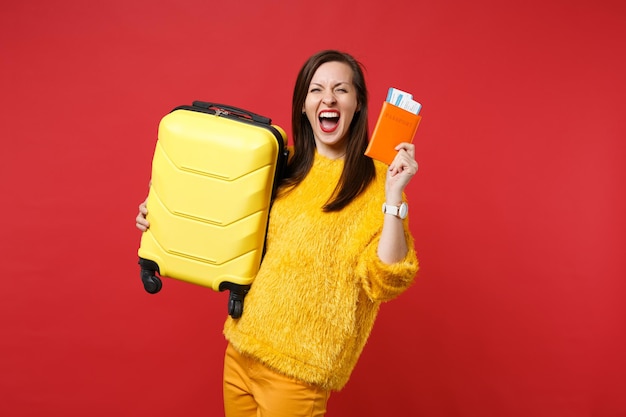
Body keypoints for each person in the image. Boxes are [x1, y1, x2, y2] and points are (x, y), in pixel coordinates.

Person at [135, 49, 419, 417]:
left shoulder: (377, 184)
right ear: (303, 105)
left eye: (341, 90)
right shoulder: (278, 167)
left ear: (359, 104)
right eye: (316, 90)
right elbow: (222, 221)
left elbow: (386, 280)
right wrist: (159, 215)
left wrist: (395, 199)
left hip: (299, 371)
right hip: (241, 350)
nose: (328, 99)